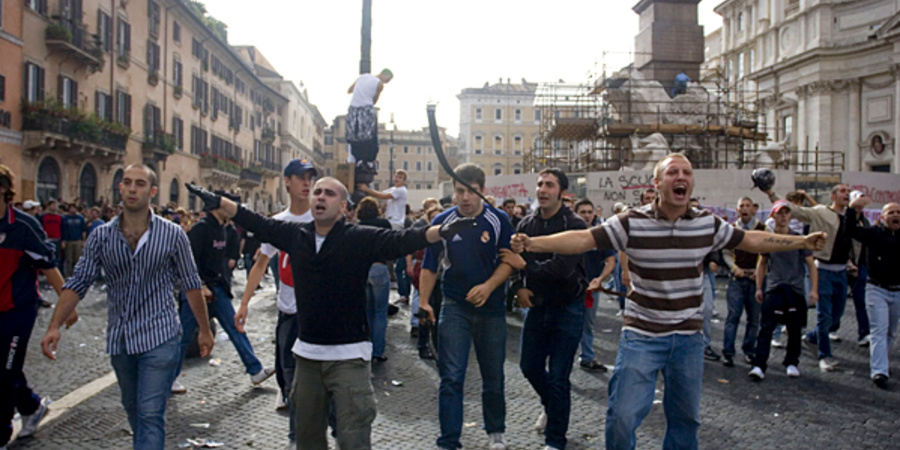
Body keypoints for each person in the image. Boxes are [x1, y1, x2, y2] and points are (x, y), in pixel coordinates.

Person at [509, 153, 826, 450]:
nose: (681, 177)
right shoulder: (631, 222)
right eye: (673, 172)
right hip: (641, 336)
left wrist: (801, 241)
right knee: (621, 417)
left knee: (685, 423)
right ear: (657, 183)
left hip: (688, 339)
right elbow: (584, 238)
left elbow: (751, 240)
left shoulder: (707, 223)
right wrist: (533, 243)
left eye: (687, 172)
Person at [187, 177, 474, 450]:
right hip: (307, 357)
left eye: (329, 193)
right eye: (317, 192)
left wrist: (440, 231)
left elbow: (402, 240)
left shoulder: (358, 237)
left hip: (349, 358)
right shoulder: (296, 235)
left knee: (353, 438)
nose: (320, 197)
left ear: (343, 207)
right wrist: (219, 202)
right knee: (308, 439)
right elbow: (255, 221)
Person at [40, 164, 214, 450]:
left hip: (161, 335)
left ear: (152, 191)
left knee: (150, 414)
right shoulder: (101, 236)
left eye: (140, 184)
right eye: (128, 183)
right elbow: (79, 281)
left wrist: (204, 330)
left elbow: (191, 284)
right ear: (120, 188)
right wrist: (53, 326)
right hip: (121, 339)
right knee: (133, 410)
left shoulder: (173, 235)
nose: (133, 189)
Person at [418, 164, 515, 450]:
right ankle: (449, 440)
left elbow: (509, 261)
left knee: (493, 375)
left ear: (482, 191)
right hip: (454, 305)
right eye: (460, 191)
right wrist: (423, 301)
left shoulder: (498, 219)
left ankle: (496, 431)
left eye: (471, 191)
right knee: (451, 376)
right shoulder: (443, 222)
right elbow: (430, 265)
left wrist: (489, 287)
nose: (465, 197)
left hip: (492, 309)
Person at [500, 169, 590, 450]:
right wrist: (518, 286)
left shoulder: (574, 224)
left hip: (568, 307)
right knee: (529, 366)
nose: (542, 189)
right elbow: (512, 259)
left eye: (549, 185)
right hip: (538, 307)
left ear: (561, 192)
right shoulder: (527, 222)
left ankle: (555, 441)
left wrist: (525, 267)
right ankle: (551, 406)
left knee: (559, 375)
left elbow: (560, 269)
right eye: (540, 184)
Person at [236, 159, 316, 442]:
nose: (307, 183)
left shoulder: (322, 220)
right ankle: (298, 437)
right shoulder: (277, 223)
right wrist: (244, 303)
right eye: (301, 177)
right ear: (287, 182)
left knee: (313, 382)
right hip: (288, 313)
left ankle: (304, 437)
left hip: (317, 314)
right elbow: (260, 264)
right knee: (288, 379)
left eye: (310, 178)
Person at [0, 165, 75, 449]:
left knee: (5, 373)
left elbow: (49, 267)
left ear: (4, 190)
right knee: (6, 368)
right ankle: (31, 407)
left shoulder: (24, 226)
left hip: (18, 308)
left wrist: (68, 305)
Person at [173, 191, 275, 394]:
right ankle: (168, 378)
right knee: (184, 335)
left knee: (235, 327)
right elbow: (189, 261)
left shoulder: (224, 230)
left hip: (218, 287)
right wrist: (200, 285)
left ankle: (255, 370)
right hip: (197, 290)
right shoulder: (200, 229)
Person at [764, 183, 852, 371]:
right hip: (824, 269)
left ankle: (812, 337)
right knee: (824, 316)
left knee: (836, 316)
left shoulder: (851, 216)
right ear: (833, 196)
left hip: (843, 270)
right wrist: (771, 192)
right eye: (843, 191)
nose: (848, 194)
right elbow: (795, 210)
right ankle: (824, 355)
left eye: (849, 191)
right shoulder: (821, 212)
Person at [749, 200, 818, 380]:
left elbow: (811, 264)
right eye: (780, 213)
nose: (783, 216)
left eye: (786, 213)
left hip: (795, 289)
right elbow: (762, 263)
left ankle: (792, 362)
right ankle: (759, 364)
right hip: (774, 288)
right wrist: (759, 287)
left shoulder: (799, 239)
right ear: (773, 215)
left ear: (790, 216)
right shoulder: (769, 239)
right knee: (766, 328)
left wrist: (813, 290)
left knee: (794, 329)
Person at [844, 198, 900, 388]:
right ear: (883, 217)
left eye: (898, 212)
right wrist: (852, 209)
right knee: (878, 330)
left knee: (891, 332)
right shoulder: (874, 234)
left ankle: (881, 358)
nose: (896, 215)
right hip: (877, 289)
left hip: (898, 291)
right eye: (891, 212)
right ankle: (879, 371)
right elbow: (850, 230)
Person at [721, 197, 770, 367]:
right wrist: (734, 268)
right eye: (741, 206)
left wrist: (760, 270)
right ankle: (728, 352)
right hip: (737, 278)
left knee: (754, 318)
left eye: (747, 206)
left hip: (756, 279)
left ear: (754, 209)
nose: (744, 209)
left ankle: (749, 350)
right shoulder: (731, 229)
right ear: (737, 210)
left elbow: (768, 251)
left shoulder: (763, 229)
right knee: (733, 316)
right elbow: (726, 252)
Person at [573, 198, 616, 372]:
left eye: (589, 212)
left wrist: (600, 278)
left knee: (587, 324)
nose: (587, 216)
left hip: (591, 289)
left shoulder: (600, 236)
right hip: (569, 288)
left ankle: (587, 357)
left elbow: (611, 261)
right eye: (583, 212)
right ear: (576, 213)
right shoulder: (568, 235)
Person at [346, 69, 393, 168]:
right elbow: (374, 101)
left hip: (353, 109)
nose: (387, 82)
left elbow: (349, 90)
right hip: (366, 110)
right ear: (384, 74)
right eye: (388, 80)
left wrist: (360, 92)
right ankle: (368, 161)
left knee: (354, 134)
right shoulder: (380, 84)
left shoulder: (363, 76)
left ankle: (354, 158)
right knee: (370, 136)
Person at [847, 190, 872, 347]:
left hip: (861, 265)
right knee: (836, 303)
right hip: (843, 264)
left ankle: (864, 333)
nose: (860, 205)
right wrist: (848, 262)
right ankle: (825, 330)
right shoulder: (844, 220)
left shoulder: (865, 221)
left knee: (861, 300)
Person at [60, 203, 86, 278]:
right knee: (69, 259)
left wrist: (83, 240)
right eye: (71, 208)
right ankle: (69, 274)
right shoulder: (65, 218)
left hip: (78, 240)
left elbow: (83, 230)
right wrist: (63, 241)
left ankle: (77, 274)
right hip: (68, 240)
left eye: (74, 208)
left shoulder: (80, 218)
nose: (73, 209)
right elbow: (63, 230)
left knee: (77, 259)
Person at [40, 200, 63, 271]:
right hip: (47, 239)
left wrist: (63, 240)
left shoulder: (60, 217)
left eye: (55, 205)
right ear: (49, 206)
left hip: (57, 239)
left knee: (57, 257)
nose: (54, 207)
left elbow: (63, 229)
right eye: (53, 205)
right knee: (47, 257)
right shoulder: (43, 217)